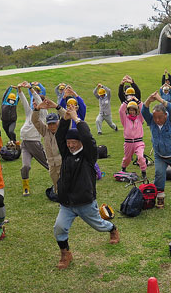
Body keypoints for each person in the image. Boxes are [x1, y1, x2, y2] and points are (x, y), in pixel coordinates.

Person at [53, 105, 120, 269]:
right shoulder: (67, 153)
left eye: (74, 143)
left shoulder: (89, 156)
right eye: (68, 143)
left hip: (85, 202)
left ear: (80, 142)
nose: (70, 146)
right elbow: (59, 137)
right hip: (67, 203)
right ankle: (65, 253)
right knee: (59, 227)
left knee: (99, 225)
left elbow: (89, 138)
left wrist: (77, 119)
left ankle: (112, 228)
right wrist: (65, 120)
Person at [17, 83, 48, 196]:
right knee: (26, 166)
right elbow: (24, 102)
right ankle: (26, 187)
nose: (34, 103)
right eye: (33, 102)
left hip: (35, 143)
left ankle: (61, 180)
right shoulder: (30, 113)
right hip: (25, 144)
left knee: (48, 165)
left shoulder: (43, 114)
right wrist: (20, 90)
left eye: (36, 102)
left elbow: (39, 100)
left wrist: (31, 89)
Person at [33, 96, 67, 195]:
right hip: (52, 165)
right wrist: (37, 109)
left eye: (54, 123)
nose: (52, 126)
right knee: (56, 187)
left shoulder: (63, 130)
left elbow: (66, 117)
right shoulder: (45, 131)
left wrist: (56, 106)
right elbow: (35, 121)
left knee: (65, 185)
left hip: (63, 164)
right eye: (50, 124)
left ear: (58, 122)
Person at [119, 100, 147, 179]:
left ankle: (143, 171)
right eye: (130, 110)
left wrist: (138, 101)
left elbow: (143, 108)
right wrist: (126, 102)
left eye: (134, 110)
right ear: (128, 110)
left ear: (136, 110)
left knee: (141, 157)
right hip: (128, 142)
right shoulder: (125, 119)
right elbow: (121, 111)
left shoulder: (140, 118)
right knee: (127, 158)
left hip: (139, 142)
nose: (132, 112)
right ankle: (123, 168)